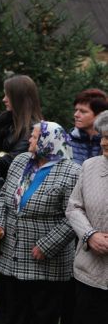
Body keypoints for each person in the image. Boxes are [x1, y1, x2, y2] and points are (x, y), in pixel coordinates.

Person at [0, 121, 80, 324]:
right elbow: (4, 196)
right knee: (13, 312)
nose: (30, 139)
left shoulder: (72, 172)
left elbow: (74, 216)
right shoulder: (21, 160)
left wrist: (48, 245)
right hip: (12, 255)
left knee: (40, 315)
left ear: (49, 141)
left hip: (46, 261)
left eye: (35, 136)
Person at [0, 74, 44, 324]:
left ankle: (12, 313)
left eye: (8, 95)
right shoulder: (5, 122)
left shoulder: (33, 128)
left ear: (18, 97)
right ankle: (4, 310)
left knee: (10, 265)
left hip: (15, 207)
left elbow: (12, 163)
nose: (4, 99)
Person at [66, 111, 108, 324]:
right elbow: (74, 207)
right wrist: (90, 235)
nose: (103, 142)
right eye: (102, 136)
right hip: (89, 272)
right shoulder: (90, 166)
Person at [68, 89, 107, 165]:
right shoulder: (66, 142)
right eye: (76, 110)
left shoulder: (105, 143)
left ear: (99, 114)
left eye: (83, 111)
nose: (76, 114)